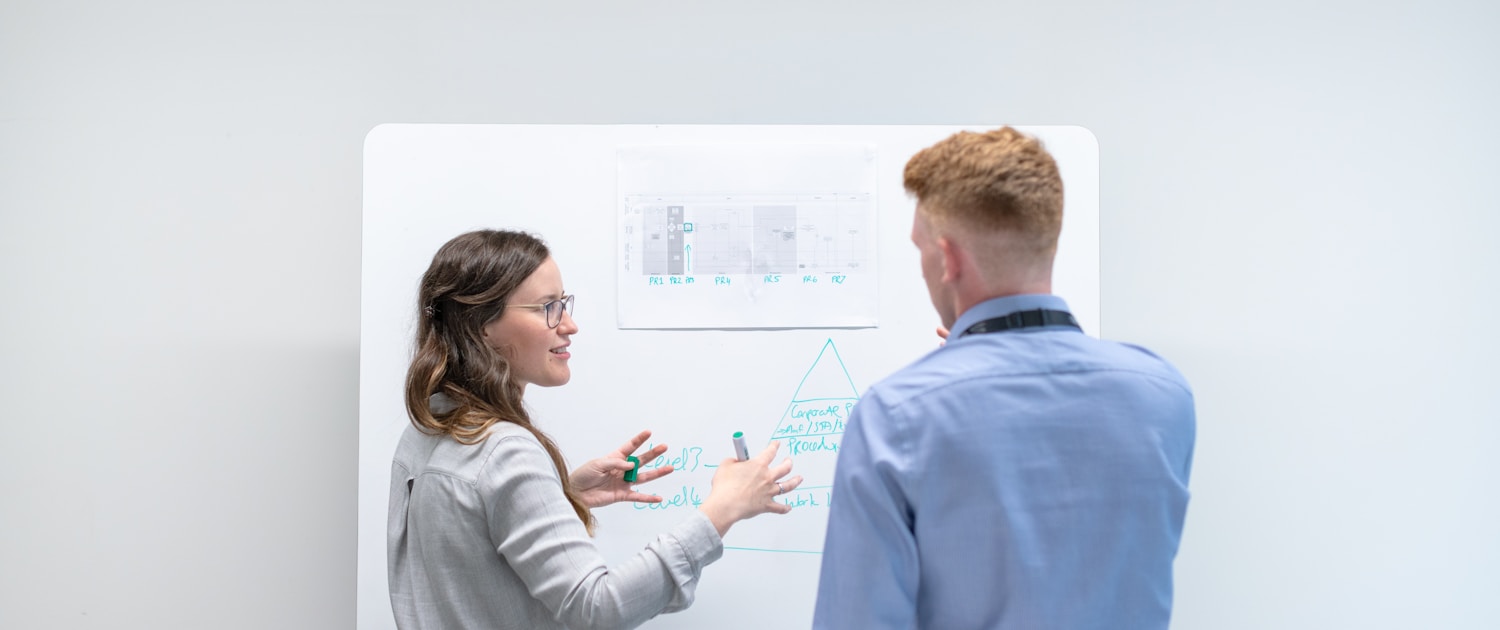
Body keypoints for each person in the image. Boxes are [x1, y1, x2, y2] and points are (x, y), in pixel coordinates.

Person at [813, 127, 1196, 629]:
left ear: (948, 259)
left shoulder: (896, 418)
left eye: (920, 249)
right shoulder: (1164, 396)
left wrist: (951, 379)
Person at [388, 229, 802, 630]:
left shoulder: (427, 431)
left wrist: (561, 494)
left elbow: (467, 554)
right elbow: (599, 607)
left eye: (564, 303)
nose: (568, 325)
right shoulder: (505, 453)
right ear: (481, 325)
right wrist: (721, 511)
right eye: (546, 307)